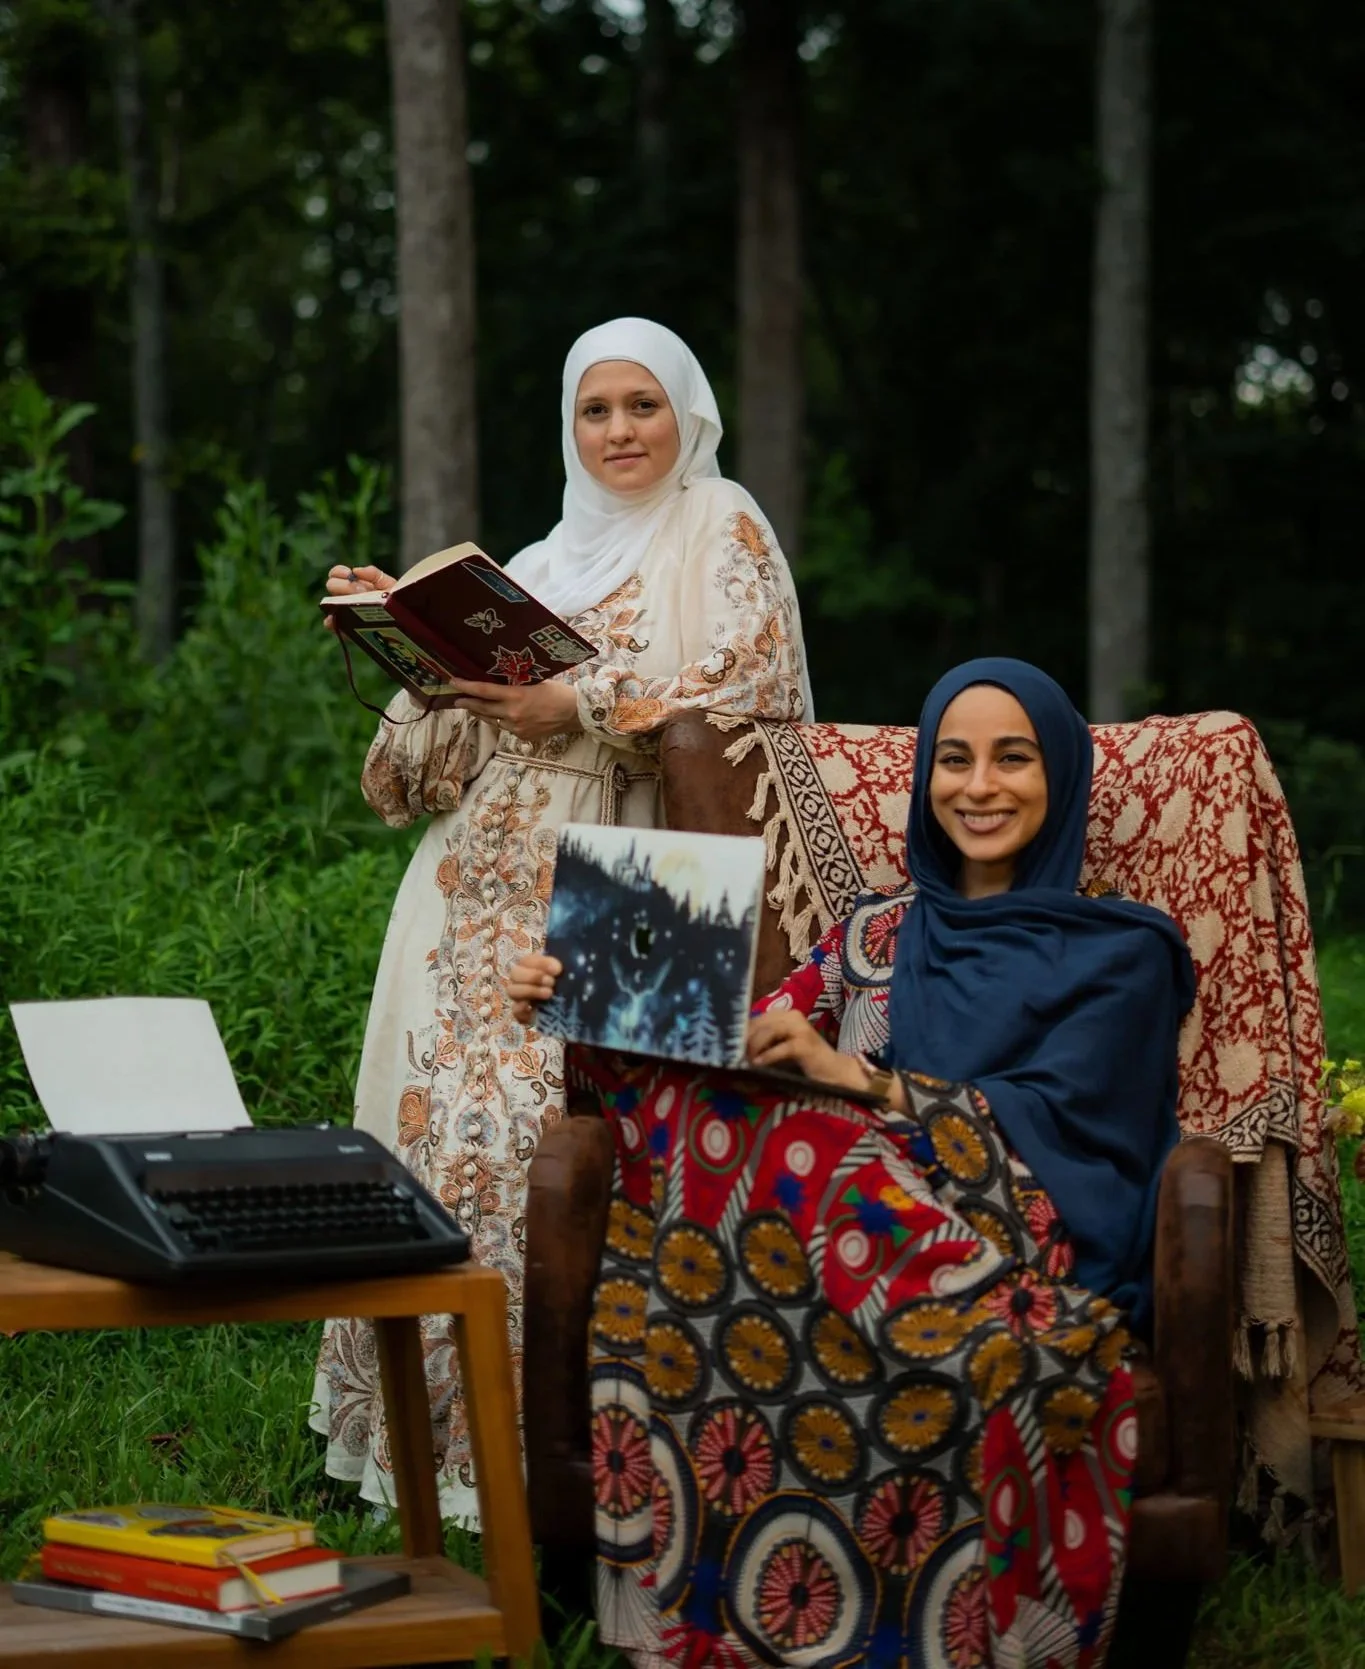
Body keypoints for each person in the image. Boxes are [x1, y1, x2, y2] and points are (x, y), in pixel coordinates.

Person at [509, 658, 1195, 1667]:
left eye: (1014, 759)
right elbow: (749, 1050)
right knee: (721, 1107)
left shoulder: (1125, 950)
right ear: (927, 782)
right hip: (823, 1213)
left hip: (1004, 1229)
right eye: (953, 760)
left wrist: (865, 1086)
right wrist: (586, 992)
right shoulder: (877, 933)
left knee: (807, 1135)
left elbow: (1080, 1131)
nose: (979, 786)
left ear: (1061, 779)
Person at [311, 317, 813, 1524]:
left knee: (575, 1158)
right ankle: (423, 1470)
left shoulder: (720, 522)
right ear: (570, 427)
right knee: (442, 1159)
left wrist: (575, 701)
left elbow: (756, 688)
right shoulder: (533, 565)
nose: (621, 431)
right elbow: (404, 784)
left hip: (625, 878)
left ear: (686, 413)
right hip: (460, 901)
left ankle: (584, 1480)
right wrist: (403, 650)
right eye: (597, 410)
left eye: (643, 405)